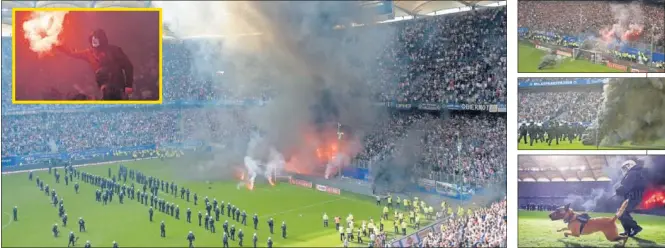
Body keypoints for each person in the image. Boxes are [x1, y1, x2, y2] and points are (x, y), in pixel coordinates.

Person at [56, 29, 134, 100]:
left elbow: (128, 66)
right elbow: (73, 53)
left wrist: (128, 85)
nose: (94, 41)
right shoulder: (89, 53)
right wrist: (59, 45)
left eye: (96, 39)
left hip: (118, 87)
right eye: (92, 39)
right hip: (104, 88)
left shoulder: (114, 50)